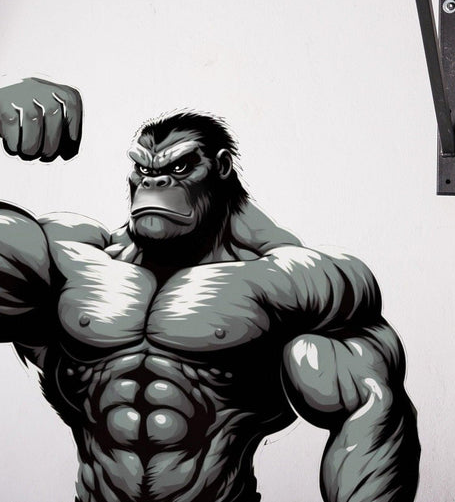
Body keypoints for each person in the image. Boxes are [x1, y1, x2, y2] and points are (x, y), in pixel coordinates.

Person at [0, 77, 420, 502]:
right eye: (144, 170)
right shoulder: (72, 259)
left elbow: (372, 412)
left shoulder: (288, 281)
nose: (153, 184)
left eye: (178, 168)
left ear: (219, 168)